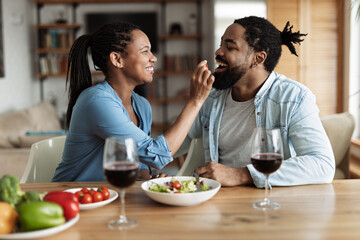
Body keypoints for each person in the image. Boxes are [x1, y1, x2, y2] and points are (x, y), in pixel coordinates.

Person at [175, 16, 335, 188]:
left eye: (230, 47)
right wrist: (148, 171)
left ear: (258, 59)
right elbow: (173, 145)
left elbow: (323, 164)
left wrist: (241, 174)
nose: (218, 52)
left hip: (275, 203)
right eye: (221, 44)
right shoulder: (211, 97)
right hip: (219, 202)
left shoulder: (294, 98)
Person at [52, 21, 214, 182]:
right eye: (145, 51)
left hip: (110, 196)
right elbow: (157, 155)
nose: (154, 58)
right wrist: (195, 101)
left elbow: (141, 160)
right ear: (117, 59)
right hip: (72, 196)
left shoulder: (142, 105)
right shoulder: (97, 101)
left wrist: (146, 180)